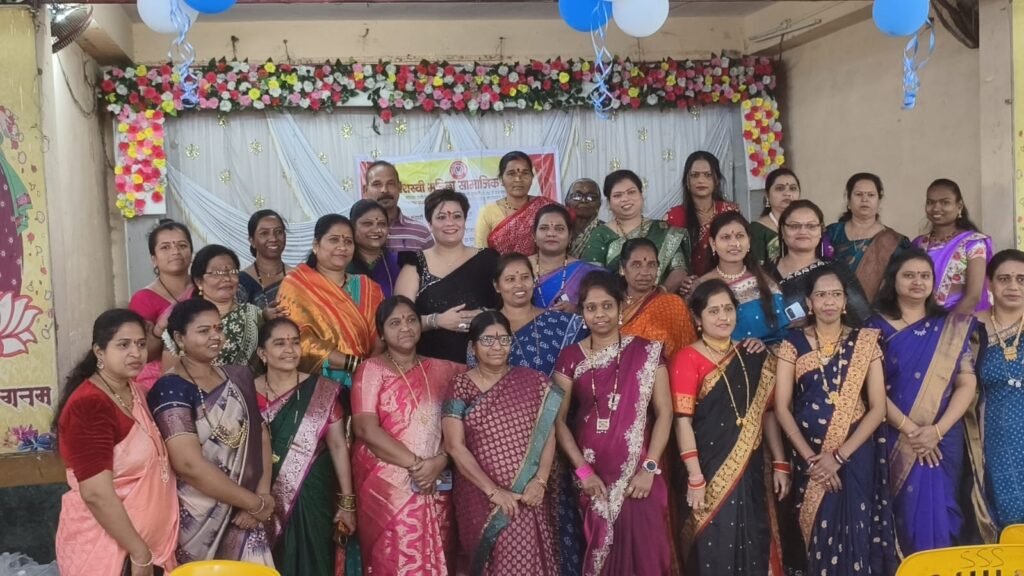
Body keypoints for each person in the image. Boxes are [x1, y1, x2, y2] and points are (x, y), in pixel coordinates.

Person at [866, 247, 990, 554]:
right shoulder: (873, 328)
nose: (917, 282)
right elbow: (871, 390)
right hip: (893, 434)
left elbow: (966, 382)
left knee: (946, 508)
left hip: (944, 435)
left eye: (924, 276)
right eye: (908, 275)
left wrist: (936, 431)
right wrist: (912, 431)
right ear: (893, 280)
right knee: (902, 514)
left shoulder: (951, 326)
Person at [773, 267, 897, 576]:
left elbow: (878, 408)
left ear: (845, 302)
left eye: (836, 295)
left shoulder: (865, 341)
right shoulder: (792, 343)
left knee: (856, 532)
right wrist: (813, 461)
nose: (828, 301)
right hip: (810, 458)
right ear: (809, 302)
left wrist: (839, 457)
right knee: (817, 536)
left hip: (855, 455)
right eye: (821, 295)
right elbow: (782, 407)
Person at [553, 271, 674, 575]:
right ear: (582, 313)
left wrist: (649, 468)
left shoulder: (648, 351)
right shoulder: (570, 357)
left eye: (607, 306)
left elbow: (665, 413)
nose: (600, 314)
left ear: (621, 307)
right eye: (591, 308)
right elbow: (557, 419)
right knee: (603, 558)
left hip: (641, 477)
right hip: (593, 479)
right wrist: (583, 471)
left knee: (649, 556)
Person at [670, 280, 788, 575]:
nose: (723, 317)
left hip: (750, 471)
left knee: (753, 540)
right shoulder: (687, 358)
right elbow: (682, 421)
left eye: (728, 309)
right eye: (713, 311)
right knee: (713, 547)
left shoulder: (753, 354)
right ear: (697, 318)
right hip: (706, 470)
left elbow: (767, 413)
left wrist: (780, 462)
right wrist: (695, 476)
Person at [147, 299, 275, 565]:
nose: (215, 336)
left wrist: (262, 496)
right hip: (198, 516)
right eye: (204, 331)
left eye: (218, 328)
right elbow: (188, 465)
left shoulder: (238, 377)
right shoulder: (170, 388)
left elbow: (260, 434)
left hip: (247, 512)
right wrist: (253, 503)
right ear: (179, 338)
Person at [55, 309, 179, 576]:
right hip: (109, 553)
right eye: (123, 345)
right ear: (99, 352)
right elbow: (95, 493)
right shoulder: (89, 405)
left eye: (141, 344)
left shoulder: (134, 391)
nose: (136, 353)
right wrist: (139, 553)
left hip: (150, 550)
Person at [351, 296, 464, 575]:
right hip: (388, 485)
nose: (405, 327)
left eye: (411, 320)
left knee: (442, 553)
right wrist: (417, 465)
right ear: (381, 333)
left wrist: (440, 461)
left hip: (437, 478)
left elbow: (463, 422)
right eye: (395, 323)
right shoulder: (371, 370)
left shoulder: (447, 370)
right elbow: (365, 428)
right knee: (394, 557)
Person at [443, 312, 563, 575]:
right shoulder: (460, 386)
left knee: (525, 559)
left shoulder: (535, 382)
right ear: (473, 346)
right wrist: (493, 491)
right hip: (477, 494)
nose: (497, 346)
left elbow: (547, 434)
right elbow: (454, 446)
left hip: (527, 493)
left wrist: (540, 481)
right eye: (487, 340)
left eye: (503, 339)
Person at [255, 317, 357, 575]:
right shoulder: (245, 391)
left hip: (313, 493)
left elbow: (338, 446)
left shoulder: (322, 390)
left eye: (295, 342)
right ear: (262, 354)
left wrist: (347, 502)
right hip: (259, 496)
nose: (290, 350)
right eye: (280, 343)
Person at [277, 214, 384, 399]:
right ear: (316, 245)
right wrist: (353, 364)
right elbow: (293, 339)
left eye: (348, 241)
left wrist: (369, 370)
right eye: (334, 240)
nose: (342, 247)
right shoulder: (296, 285)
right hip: (315, 386)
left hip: (370, 384)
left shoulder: (369, 287)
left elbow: (384, 332)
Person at [395, 188, 500, 363]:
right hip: (431, 365)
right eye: (441, 217)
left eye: (457, 216)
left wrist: (485, 315)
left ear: (465, 220)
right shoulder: (415, 264)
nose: (450, 223)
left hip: (485, 364)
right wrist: (436, 320)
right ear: (430, 224)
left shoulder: (489, 260)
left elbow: (511, 308)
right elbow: (398, 320)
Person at [580, 169, 689, 294]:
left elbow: (679, 269)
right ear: (609, 202)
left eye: (631, 192)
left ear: (641, 195)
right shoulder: (601, 234)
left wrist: (659, 294)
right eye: (617, 195)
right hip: (617, 302)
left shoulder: (662, 229)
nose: (625, 199)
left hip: (662, 300)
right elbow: (592, 278)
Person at [767, 199, 872, 326]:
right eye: (794, 226)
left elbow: (863, 317)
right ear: (782, 231)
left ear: (821, 231)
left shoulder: (837, 270)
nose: (803, 231)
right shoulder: (764, 274)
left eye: (811, 226)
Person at [978, 249, 1024, 531]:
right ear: (989, 283)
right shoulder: (971, 329)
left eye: (1021, 279)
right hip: (995, 435)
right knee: (1007, 513)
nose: (1013, 286)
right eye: (1004, 279)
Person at [491, 253, 587, 376]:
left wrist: (579, 309)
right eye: (510, 279)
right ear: (497, 286)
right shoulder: (487, 326)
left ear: (534, 281)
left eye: (525, 277)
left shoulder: (560, 322)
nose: (519, 284)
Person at [698, 212, 788, 342]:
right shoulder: (702, 285)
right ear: (713, 243)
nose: (734, 243)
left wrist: (764, 348)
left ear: (749, 241)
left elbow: (783, 334)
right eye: (725, 237)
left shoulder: (765, 281)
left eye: (740, 236)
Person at [825, 173, 910, 302]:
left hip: (878, 310)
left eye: (871, 195)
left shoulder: (895, 241)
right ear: (848, 201)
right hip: (832, 305)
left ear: (879, 201)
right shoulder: (832, 233)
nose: (864, 199)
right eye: (858, 194)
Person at [129, 220, 194, 388]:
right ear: (154, 259)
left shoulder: (205, 288)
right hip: (160, 381)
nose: (175, 252)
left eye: (182, 245)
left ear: (191, 252)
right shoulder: (143, 299)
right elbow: (141, 353)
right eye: (165, 247)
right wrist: (159, 329)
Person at [178, 245, 265, 370]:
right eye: (217, 273)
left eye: (232, 272)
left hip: (248, 382)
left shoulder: (254, 314)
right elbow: (172, 371)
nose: (226, 278)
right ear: (198, 281)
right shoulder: (184, 319)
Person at [913, 178, 992, 314]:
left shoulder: (973, 243)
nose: (936, 208)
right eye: (930, 202)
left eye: (945, 202)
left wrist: (949, 323)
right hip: (921, 319)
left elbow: (973, 296)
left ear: (959, 206)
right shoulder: (918, 244)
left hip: (959, 319)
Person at [667, 151, 739, 287]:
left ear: (716, 180)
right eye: (695, 175)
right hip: (687, 288)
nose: (701, 180)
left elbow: (739, 250)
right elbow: (669, 261)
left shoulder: (729, 211)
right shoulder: (674, 216)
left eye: (708, 175)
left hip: (726, 283)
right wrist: (683, 281)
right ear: (687, 181)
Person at [618, 238, 697, 359]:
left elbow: (687, 354)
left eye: (651, 265)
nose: (645, 272)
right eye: (636, 265)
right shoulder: (611, 304)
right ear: (622, 269)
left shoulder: (672, 305)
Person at [475, 151, 556, 255]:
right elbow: (481, 253)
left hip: (541, 265)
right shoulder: (488, 212)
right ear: (501, 179)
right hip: (499, 266)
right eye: (511, 174)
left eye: (525, 173)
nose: (518, 179)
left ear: (532, 177)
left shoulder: (545, 206)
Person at [531, 204, 603, 313]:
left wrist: (578, 310)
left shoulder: (586, 272)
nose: (551, 234)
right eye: (544, 228)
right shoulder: (519, 267)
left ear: (570, 236)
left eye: (559, 229)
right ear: (534, 235)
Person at [363, 160, 434, 251]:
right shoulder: (355, 233)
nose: (384, 190)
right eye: (377, 184)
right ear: (365, 190)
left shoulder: (421, 233)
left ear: (399, 187)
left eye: (390, 183)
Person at [238, 209, 291, 310]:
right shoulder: (241, 283)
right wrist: (263, 316)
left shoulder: (299, 277)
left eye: (279, 232)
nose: (273, 238)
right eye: (264, 233)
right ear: (252, 241)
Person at [348, 199, 401, 298]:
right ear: (352, 227)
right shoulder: (342, 262)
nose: (377, 230)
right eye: (367, 224)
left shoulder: (398, 262)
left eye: (382, 224)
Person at [750, 168, 800, 267]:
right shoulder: (757, 230)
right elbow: (756, 269)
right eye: (780, 188)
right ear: (767, 195)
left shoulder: (808, 226)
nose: (787, 193)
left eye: (793, 188)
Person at [565, 178, 604, 258]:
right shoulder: (559, 230)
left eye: (591, 197)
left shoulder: (606, 232)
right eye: (577, 196)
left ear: (599, 203)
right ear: (567, 201)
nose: (583, 200)